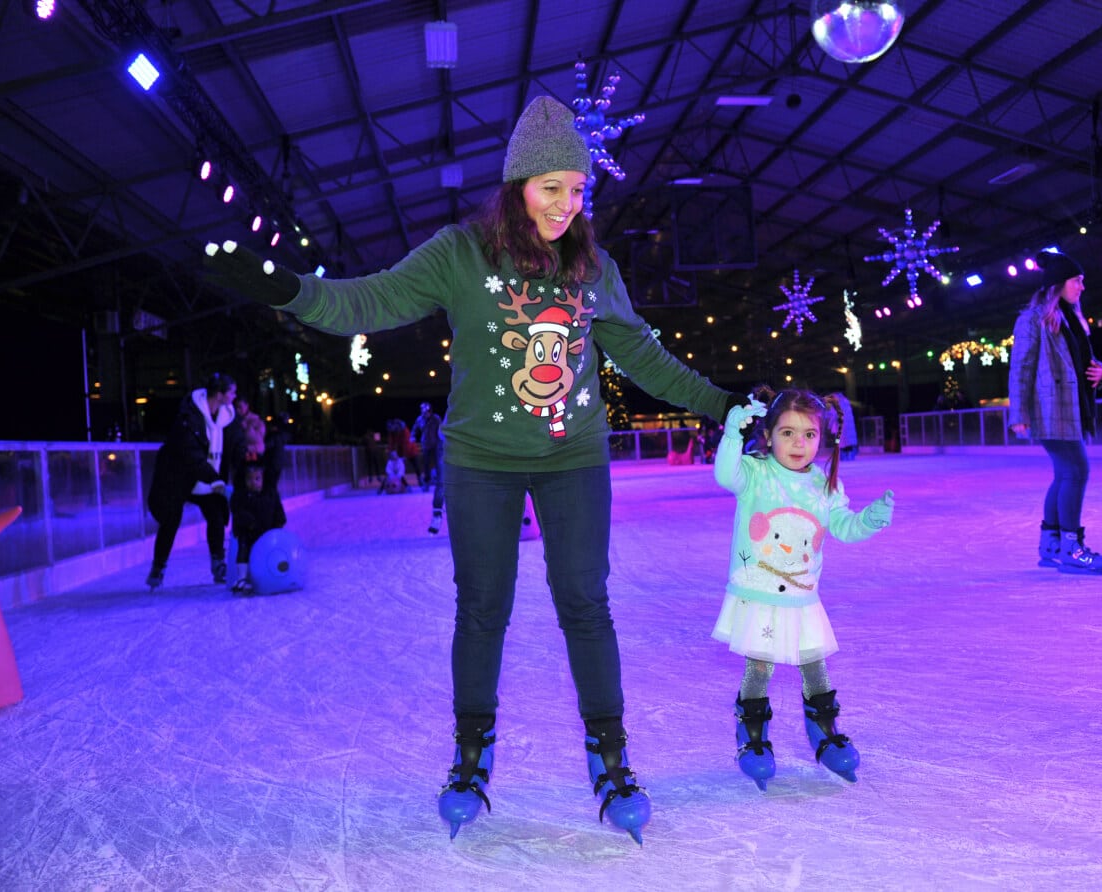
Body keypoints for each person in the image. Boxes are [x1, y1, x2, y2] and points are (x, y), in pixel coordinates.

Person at [202, 95, 746, 844]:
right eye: (551, 186)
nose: (566, 204)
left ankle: (610, 751)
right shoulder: (460, 253)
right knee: (482, 606)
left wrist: (723, 402)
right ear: (517, 184)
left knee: (584, 601)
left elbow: (640, 353)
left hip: (573, 455)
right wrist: (292, 292)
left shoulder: (593, 266)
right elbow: (372, 299)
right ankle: (470, 750)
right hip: (480, 460)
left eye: (578, 188)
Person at [712, 387, 894, 789]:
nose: (799, 443)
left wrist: (870, 520)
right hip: (758, 594)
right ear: (768, 435)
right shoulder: (755, 473)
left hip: (803, 598)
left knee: (815, 667)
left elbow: (844, 527)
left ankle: (825, 732)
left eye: (808, 434)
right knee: (759, 666)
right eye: (787, 433)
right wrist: (730, 435)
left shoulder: (822, 485)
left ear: (822, 437)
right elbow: (725, 475)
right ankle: (753, 735)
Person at [1008, 249, 1102, 574]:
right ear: (1058, 284)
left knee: (1064, 474)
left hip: (1072, 408)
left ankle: (1051, 544)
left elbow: (1088, 363)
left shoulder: (1072, 319)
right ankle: (1071, 547)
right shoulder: (1033, 318)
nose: (1082, 287)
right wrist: (1019, 413)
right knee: (1077, 472)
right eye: (1077, 281)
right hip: (1050, 409)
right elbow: (1021, 367)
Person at [145, 372, 237, 590]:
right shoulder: (189, 416)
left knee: (215, 513)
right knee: (171, 519)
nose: (235, 396)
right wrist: (215, 479)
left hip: (207, 475)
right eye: (232, 392)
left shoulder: (227, 415)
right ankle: (158, 568)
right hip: (180, 476)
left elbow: (236, 442)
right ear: (220, 394)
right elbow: (191, 456)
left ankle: (218, 564)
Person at [228, 462, 287, 595]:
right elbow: (237, 512)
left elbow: (278, 511)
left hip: (267, 535)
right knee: (244, 546)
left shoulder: (270, 495)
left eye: (257, 479)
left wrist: (279, 524)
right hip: (248, 533)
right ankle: (241, 578)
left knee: (274, 550)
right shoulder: (241, 497)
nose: (253, 482)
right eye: (249, 479)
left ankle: (278, 572)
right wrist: (248, 523)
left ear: (263, 479)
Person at [411, 402, 442, 491]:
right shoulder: (420, 419)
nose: (425, 413)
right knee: (426, 465)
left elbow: (441, 428)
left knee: (438, 464)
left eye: (426, 411)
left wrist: (442, 439)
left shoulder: (436, 418)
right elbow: (415, 428)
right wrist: (412, 436)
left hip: (436, 444)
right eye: (423, 411)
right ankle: (427, 483)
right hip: (425, 445)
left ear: (429, 410)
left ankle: (440, 483)